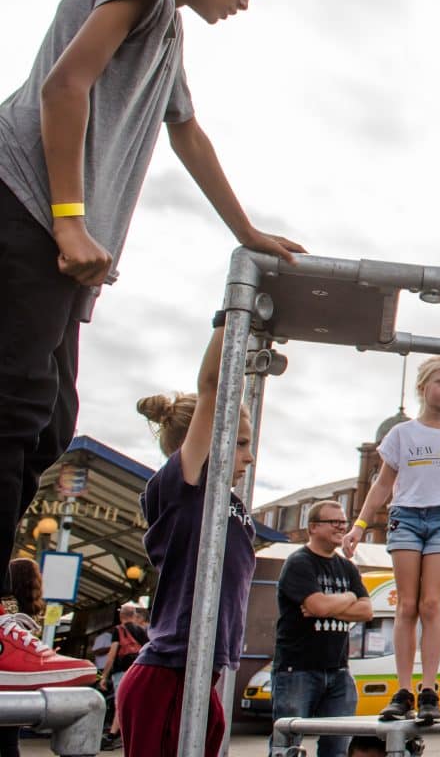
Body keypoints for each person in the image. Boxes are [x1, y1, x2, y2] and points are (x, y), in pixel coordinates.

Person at [0, 0, 303, 691]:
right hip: (29, 210)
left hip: (63, 247)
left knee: (48, 423)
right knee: (12, 414)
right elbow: (63, 84)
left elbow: (189, 136)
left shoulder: (167, 32)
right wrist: (72, 222)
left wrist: (249, 230)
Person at [119, 322, 258, 757]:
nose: (249, 456)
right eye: (238, 443)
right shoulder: (182, 488)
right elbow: (213, 387)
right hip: (168, 671)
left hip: (206, 671)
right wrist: (231, 317)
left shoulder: (228, 502)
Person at [344, 356, 440, 723]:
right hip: (405, 518)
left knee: (431, 604)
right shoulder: (402, 434)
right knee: (406, 605)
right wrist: (359, 525)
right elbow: (382, 484)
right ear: (423, 386)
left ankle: (429, 689)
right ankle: (404, 690)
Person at [274, 500, 371, 757]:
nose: (341, 527)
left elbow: (367, 611)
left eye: (343, 522)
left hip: (338, 671)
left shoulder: (347, 567)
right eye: (334, 522)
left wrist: (334, 603)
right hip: (297, 670)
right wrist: (349, 598)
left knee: (338, 748)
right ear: (313, 527)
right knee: (288, 747)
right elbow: (317, 606)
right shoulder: (299, 563)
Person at [0, 560, 48, 757]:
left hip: (4, 672)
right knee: (10, 739)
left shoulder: (6, 606)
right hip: (20, 680)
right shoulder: (35, 610)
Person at [98, 602, 148, 749]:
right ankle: (126, 735)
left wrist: (104, 676)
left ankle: (113, 736)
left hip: (122, 670)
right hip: (138, 669)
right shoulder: (142, 631)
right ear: (133, 615)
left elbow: (112, 654)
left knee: (120, 702)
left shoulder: (118, 630)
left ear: (120, 615)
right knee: (134, 703)